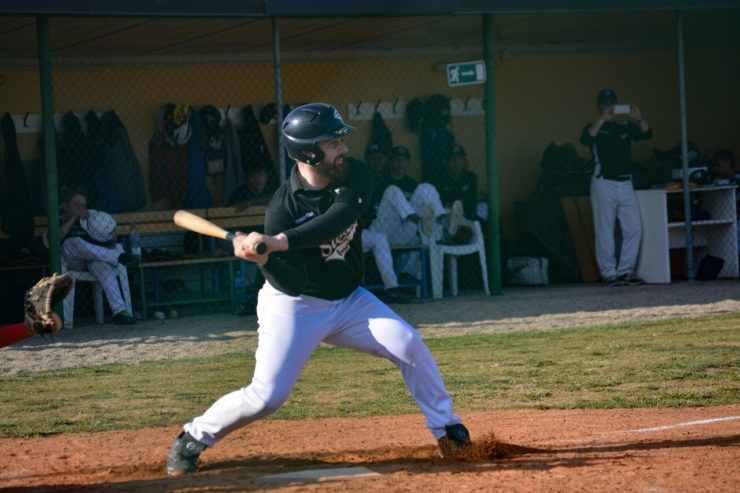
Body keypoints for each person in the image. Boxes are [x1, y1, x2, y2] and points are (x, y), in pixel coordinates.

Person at [166, 103, 472, 476]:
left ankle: (448, 431)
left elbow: (337, 219)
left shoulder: (354, 174)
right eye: (332, 142)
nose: (342, 148)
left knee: (407, 342)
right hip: (295, 304)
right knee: (267, 397)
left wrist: (278, 242)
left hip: (350, 300)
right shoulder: (283, 207)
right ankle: (192, 438)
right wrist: (264, 259)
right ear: (308, 152)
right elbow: (291, 282)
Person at [580, 89, 653, 287]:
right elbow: (586, 139)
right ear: (598, 106)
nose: (608, 106)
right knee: (605, 229)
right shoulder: (594, 127)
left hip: (625, 182)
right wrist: (603, 118)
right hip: (603, 182)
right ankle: (609, 273)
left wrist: (638, 118)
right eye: (604, 103)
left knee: (634, 228)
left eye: (612, 103)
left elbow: (647, 134)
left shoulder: (625, 126)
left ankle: (625, 271)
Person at [53, 188, 138, 324]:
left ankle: (120, 312)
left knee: (103, 266)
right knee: (74, 242)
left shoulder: (90, 220)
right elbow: (54, 239)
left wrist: (112, 236)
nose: (80, 208)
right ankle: (119, 257)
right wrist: (74, 218)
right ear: (65, 205)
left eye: (83, 205)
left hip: (94, 259)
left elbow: (107, 244)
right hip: (72, 261)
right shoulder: (57, 219)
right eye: (76, 204)